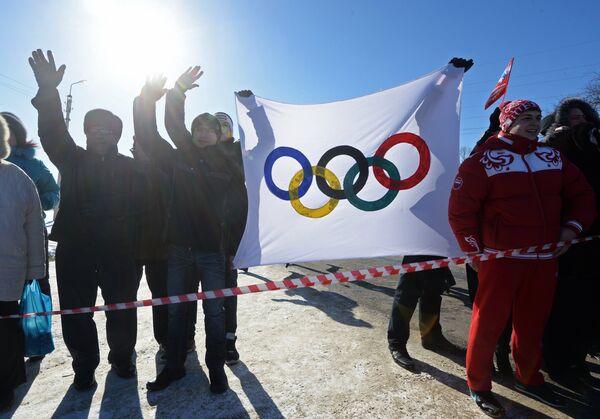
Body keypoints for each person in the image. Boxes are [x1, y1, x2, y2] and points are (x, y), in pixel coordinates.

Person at [449, 99, 596, 417]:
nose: (534, 122)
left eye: (537, 117)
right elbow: (461, 212)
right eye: (526, 117)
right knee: (488, 324)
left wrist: (571, 230)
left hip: (545, 259)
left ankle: (529, 377)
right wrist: (475, 252)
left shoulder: (552, 156)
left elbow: (583, 195)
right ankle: (479, 385)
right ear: (507, 122)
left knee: (532, 324)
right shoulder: (483, 160)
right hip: (500, 260)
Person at [29, 49, 145, 390]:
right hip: (75, 251)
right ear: (85, 133)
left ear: (117, 135)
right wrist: (49, 92)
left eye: (108, 129)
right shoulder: (72, 158)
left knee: (121, 310)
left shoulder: (130, 168)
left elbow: (141, 209)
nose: (100, 133)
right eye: (94, 128)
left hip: (119, 252)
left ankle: (122, 358)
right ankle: (83, 364)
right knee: (77, 312)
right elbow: (52, 133)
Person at [134, 69, 240, 394]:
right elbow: (153, 132)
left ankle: (216, 369)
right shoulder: (178, 158)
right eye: (198, 128)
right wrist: (160, 96)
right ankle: (176, 366)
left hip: (212, 253)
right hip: (178, 251)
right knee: (177, 310)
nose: (203, 133)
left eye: (211, 128)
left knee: (214, 311)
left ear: (220, 134)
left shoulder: (231, 161)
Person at [387, 57, 473, 370]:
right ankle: (397, 342)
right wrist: (446, 81)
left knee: (435, 285)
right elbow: (426, 112)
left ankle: (431, 335)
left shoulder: (452, 155)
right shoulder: (421, 145)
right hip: (419, 226)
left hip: (443, 228)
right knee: (409, 289)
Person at [543, 97, 600, 392]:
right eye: (574, 119)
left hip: (592, 240)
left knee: (588, 307)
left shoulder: (594, 144)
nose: (582, 123)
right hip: (567, 240)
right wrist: (567, 134)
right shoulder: (555, 145)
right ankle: (556, 364)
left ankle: (577, 361)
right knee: (562, 306)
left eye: (585, 117)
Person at [0, 114, 46, 411]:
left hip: (7, 271)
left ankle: (5, 386)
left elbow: (34, 227)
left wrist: (36, 273)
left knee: (5, 332)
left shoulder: (17, 178)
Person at [2, 111, 59, 299]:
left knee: (37, 280)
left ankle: (37, 321)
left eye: (9, 131)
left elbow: (53, 190)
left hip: (32, 230)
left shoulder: (33, 164)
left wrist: (38, 204)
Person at [214, 111, 248, 365]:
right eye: (217, 125)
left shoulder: (240, 151)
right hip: (199, 239)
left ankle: (228, 341)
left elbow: (266, 141)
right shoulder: (199, 154)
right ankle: (191, 342)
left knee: (228, 294)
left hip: (228, 240)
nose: (221, 128)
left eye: (226, 124)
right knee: (198, 298)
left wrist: (252, 108)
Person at [131, 138, 169, 351]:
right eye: (134, 150)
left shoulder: (161, 175)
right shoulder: (125, 173)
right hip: (130, 248)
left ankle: (164, 340)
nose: (137, 153)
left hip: (159, 248)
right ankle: (125, 349)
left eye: (140, 149)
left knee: (161, 297)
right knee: (126, 298)